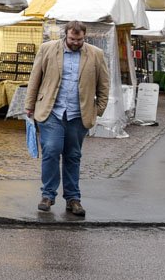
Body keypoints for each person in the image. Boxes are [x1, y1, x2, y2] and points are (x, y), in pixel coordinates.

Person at [24, 21, 110, 218]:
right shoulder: (48, 49)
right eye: (72, 39)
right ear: (66, 35)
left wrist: (98, 110)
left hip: (78, 114)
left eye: (79, 39)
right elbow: (34, 78)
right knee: (52, 150)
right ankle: (47, 195)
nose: (76, 43)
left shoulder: (95, 54)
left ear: (84, 37)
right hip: (52, 111)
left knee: (73, 156)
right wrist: (29, 105)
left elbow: (104, 84)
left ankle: (73, 198)